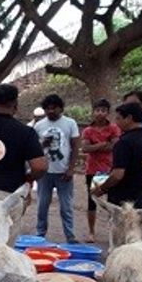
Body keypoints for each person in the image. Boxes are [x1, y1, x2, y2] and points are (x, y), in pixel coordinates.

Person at [90, 102, 142, 208]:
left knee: (124, 224)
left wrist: (102, 188)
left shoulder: (124, 142)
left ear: (129, 118)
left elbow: (117, 175)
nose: (116, 123)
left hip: (125, 200)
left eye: (118, 119)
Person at [33, 94, 80, 243]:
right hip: (44, 172)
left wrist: (71, 168)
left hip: (63, 172)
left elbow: (75, 147)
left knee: (66, 206)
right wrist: (43, 145)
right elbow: (33, 149)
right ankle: (40, 234)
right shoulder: (39, 126)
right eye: (47, 108)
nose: (51, 111)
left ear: (61, 108)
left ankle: (70, 236)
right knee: (42, 205)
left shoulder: (70, 123)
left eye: (54, 108)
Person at [80, 99, 121, 242]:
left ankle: (113, 232)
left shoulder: (114, 128)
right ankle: (91, 232)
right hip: (93, 170)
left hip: (110, 170)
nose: (100, 113)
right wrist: (104, 144)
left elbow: (116, 146)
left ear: (108, 113)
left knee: (113, 202)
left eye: (103, 110)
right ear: (93, 112)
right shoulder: (88, 130)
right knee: (92, 201)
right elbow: (85, 149)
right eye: (97, 110)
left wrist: (95, 146)